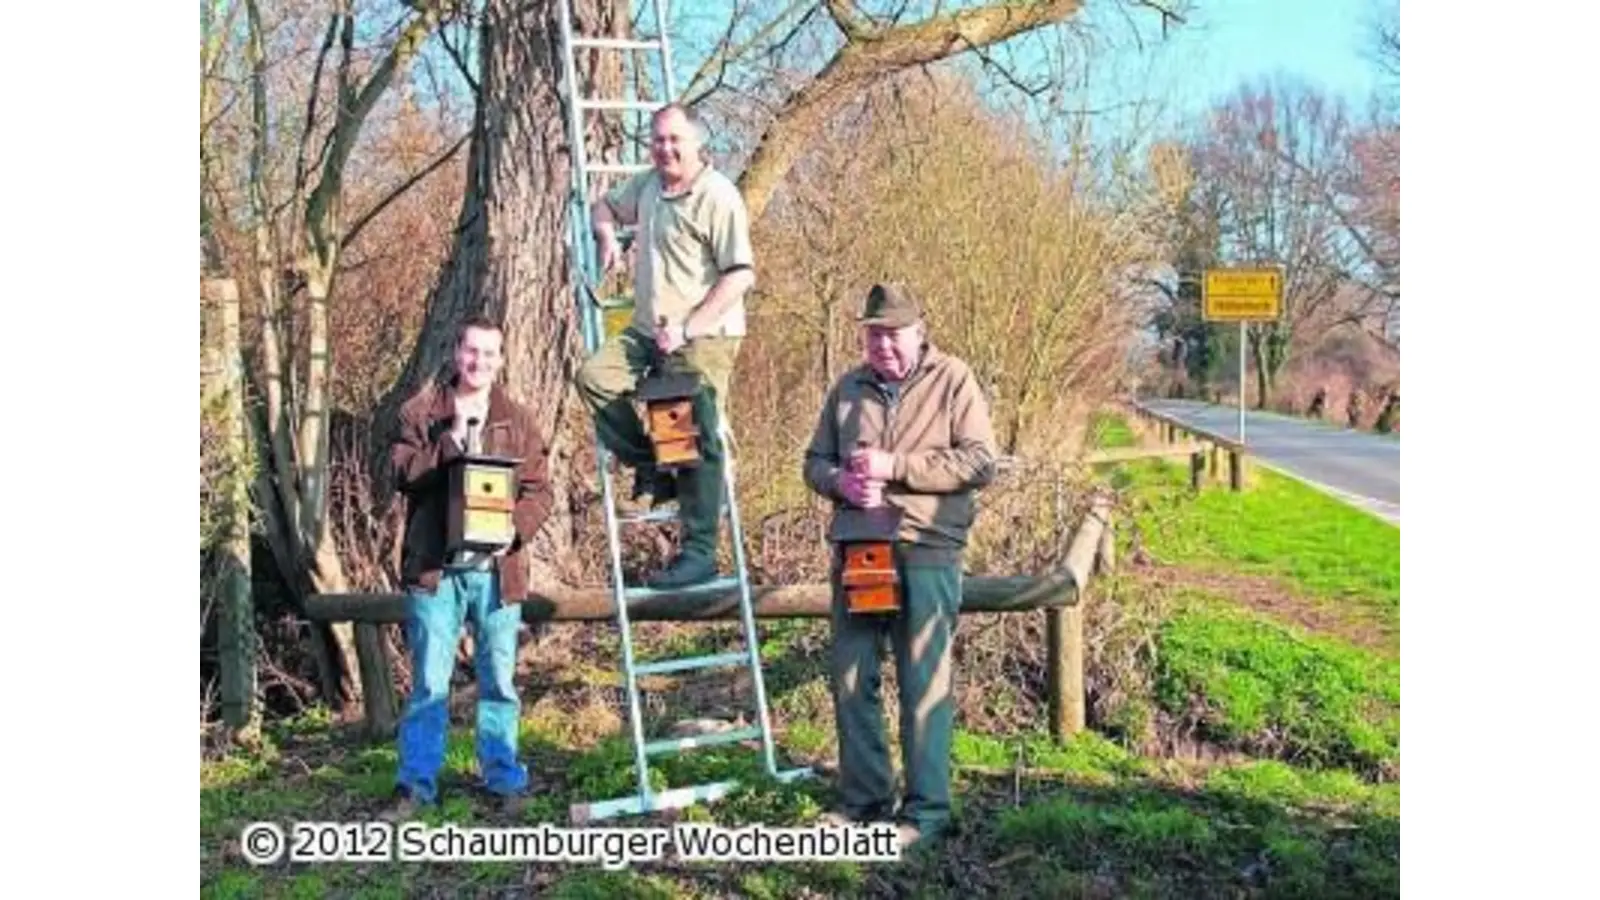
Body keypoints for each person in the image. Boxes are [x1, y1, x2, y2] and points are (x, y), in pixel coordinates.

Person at [801, 283, 999, 850]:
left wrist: (897, 466)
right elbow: (813, 462)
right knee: (850, 676)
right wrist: (840, 480)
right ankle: (864, 804)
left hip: (927, 546)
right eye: (872, 334)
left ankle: (926, 814)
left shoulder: (953, 379)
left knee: (923, 684)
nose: (881, 345)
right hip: (859, 549)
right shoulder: (847, 387)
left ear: (918, 330)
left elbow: (980, 461)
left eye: (891, 334)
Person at [575, 101, 756, 590]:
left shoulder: (719, 197)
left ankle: (699, 551)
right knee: (595, 378)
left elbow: (740, 276)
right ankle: (654, 467)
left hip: (702, 335)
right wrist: (608, 233)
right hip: (646, 330)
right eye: (657, 140)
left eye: (675, 140)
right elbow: (604, 204)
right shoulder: (650, 184)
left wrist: (690, 327)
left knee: (695, 428)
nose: (665, 149)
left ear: (697, 143)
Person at [385, 316, 554, 817]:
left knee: (499, 682)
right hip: (436, 570)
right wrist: (448, 442)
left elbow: (539, 491)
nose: (479, 362)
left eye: (489, 354)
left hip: (498, 574)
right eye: (471, 351)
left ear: (500, 360)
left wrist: (514, 531)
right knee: (430, 684)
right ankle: (416, 785)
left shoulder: (518, 420)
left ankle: (503, 779)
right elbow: (401, 473)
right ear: (456, 351)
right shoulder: (421, 411)